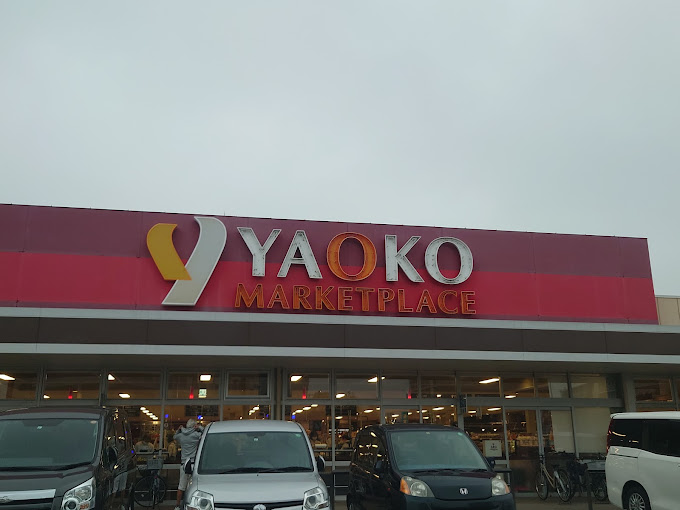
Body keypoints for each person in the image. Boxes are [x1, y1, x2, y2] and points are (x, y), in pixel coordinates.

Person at [173, 419, 204, 510]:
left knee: (181, 486)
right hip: (193, 464)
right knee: (193, 485)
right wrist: (200, 427)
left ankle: (177, 505)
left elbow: (174, 437)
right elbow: (205, 434)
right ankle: (191, 504)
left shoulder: (181, 436)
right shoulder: (196, 435)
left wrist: (179, 430)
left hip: (183, 464)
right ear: (194, 426)